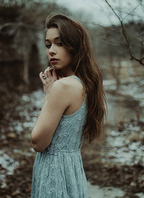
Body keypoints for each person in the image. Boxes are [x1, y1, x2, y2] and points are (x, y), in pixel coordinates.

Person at [31, 14, 106, 198]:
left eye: (60, 43)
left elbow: (38, 142)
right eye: (48, 45)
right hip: (72, 170)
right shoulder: (85, 84)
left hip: (54, 173)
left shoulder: (63, 86)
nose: (51, 51)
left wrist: (49, 96)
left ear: (75, 46)